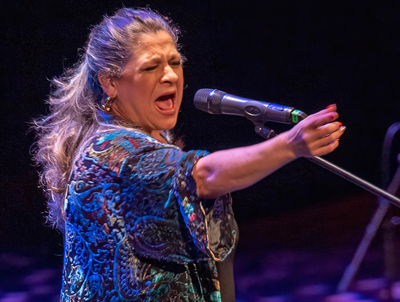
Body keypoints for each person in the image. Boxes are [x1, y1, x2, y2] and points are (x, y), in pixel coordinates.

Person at [33, 7, 345, 302]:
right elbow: (203, 175)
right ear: (110, 82)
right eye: (151, 66)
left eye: (175, 62)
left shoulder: (144, 144)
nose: (170, 75)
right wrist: (289, 145)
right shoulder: (110, 151)